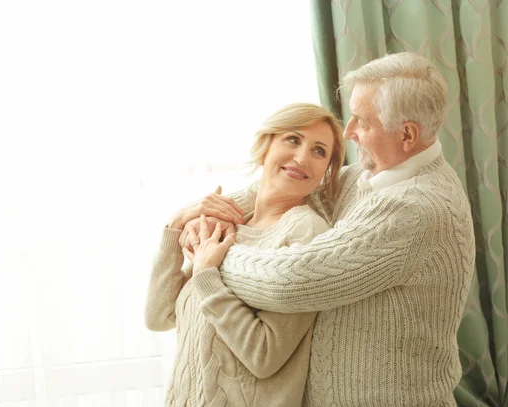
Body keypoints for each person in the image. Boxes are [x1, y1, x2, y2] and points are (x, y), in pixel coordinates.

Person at [183, 52, 476, 406]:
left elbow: (292, 281)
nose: (348, 132)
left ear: (408, 135)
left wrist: (212, 257)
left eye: (362, 123)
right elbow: (285, 190)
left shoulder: (416, 208)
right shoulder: (366, 177)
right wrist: (203, 216)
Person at [144, 103, 345, 406]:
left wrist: (207, 277)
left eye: (319, 151)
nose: (302, 157)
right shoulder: (228, 228)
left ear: (327, 170)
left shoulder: (305, 231)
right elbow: (160, 317)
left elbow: (264, 355)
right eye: (293, 139)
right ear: (266, 144)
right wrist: (175, 226)